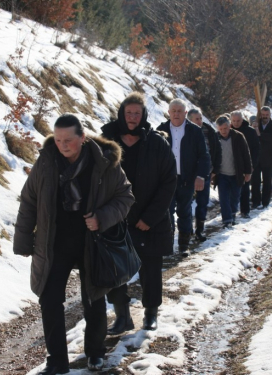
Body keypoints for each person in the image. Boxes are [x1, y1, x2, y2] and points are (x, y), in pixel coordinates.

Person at [13, 114, 134, 374]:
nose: (62, 145)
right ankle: (57, 361)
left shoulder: (103, 163)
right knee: (49, 299)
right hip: (53, 243)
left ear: (82, 138)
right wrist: (23, 240)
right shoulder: (46, 162)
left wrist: (102, 218)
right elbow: (29, 200)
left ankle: (95, 353)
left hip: (93, 242)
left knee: (93, 298)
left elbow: (125, 197)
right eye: (57, 140)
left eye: (68, 140)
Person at [101, 92, 177, 334]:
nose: (132, 117)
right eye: (128, 113)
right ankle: (122, 316)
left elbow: (168, 182)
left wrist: (150, 218)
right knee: (113, 270)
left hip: (149, 220)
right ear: (122, 114)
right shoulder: (107, 141)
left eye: (137, 113)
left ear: (143, 115)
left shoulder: (157, 142)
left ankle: (151, 313)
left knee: (151, 269)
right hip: (117, 218)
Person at [157, 99, 210, 256]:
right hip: (167, 180)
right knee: (166, 212)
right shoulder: (161, 130)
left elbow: (204, 156)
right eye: (173, 111)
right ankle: (167, 244)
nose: (176, 114)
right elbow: (153, 156)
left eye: (179, 111)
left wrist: (201, 176)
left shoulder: (194, 131)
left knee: (184, 211)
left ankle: (184, 245)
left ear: (185, 113)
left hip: (187, 179)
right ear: (168, 112)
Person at [187, 108, 222, 241]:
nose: (200, 121)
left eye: (201, 118)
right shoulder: (184, 131)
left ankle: (199, 230)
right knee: (186, 203)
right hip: (188, 174)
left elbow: (217, 150)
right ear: (190, 120)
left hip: (206, 172)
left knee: (202, 202)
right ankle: (187, 229)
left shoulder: (209, 131)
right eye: (197, 119)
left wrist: (215, 170)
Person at [214, 116, 252, 227]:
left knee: (235, 197)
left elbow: (246, 154)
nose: (223, 131)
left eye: (225, 128)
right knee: (223, 198)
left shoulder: (238, 137)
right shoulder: (216, 138)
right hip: (222, 175)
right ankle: (227, 220)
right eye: (221, 129)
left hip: (237, 173)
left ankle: (232, 214)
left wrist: (248, 172)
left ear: (229, 125)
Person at [231, 111, 259, 218]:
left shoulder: (250, 131)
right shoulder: (227, 130)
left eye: (238, 121)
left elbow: (256, 149)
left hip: (246, 164)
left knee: (245, 189)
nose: (236, 123)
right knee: (231, 190)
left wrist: (252, 165)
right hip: (231, 164)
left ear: (242, 120)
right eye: (234, 121)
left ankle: (245, 210)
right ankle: (231, 211)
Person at [251, 106, 272, 209]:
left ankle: (265, 202)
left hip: (269, 157)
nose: (265, 117)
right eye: (263, 115)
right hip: (257, 157)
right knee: (255, 181)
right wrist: (253, 128)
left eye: (267, 115)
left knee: (267, 181)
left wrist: (259, 133)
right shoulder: (256, 124)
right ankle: (255, 201)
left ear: (270, 115)